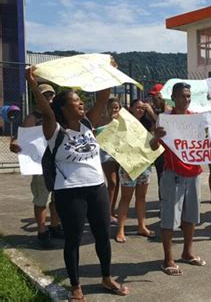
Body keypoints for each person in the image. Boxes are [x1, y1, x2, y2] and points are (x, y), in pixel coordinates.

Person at [26, 64, 129, 300]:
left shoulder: (88, 124)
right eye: (75, 101)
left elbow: (103, 97)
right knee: (73, 238)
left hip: (96, 188)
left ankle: (106, 277)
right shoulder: (54, 129)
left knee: (103, 235)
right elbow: (47, 110)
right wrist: (32, 84)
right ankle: (75, 285)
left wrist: (107, 71)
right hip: (69, 191)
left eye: (81, 100)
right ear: (63, 108)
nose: (81, 103)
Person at [151, 82, 205, 276]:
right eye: (182, 96)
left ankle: (187, 252)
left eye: (189, 96)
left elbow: (209, 139)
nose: (186, 99)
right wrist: (156, 137)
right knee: (169, 218)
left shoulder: (196, 119)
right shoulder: (165, 120)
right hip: (173, 175)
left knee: (191, 217)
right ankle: (168, 259)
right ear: (173, 97)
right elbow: (152, 147)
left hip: (194, 174)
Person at [9, 83, 63, 249]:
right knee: (42, 199)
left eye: (50, 95)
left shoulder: (58, 115)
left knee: (57, 198)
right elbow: (19, 138)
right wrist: (15, 143)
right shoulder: (32, 118)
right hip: (40, 164)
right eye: (45, 95)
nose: (48, 98)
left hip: (58, 163)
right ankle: (42, 231)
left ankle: (55, 226)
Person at [115, 99, 156, 243]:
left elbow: (155, 138)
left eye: (142, 108)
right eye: (137, 107)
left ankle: (141, 226)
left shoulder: (147, 123)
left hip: (144, 165)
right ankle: (120, 229)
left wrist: (151, 113)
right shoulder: (123, 122)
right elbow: (116, 142)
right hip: (128, 164)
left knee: (141, 197)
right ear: (131, 108)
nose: (140, 110)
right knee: (126, 197)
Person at [96, 98, 122, 225]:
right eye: (112, 107)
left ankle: (111, 210)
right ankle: (106, 212)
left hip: (119, 153)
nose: (114, 110)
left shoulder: (121, 121)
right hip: (106, 154)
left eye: (117, 107)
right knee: (111, 182)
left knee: (116, 183)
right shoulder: (101, 120)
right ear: (107, 108)